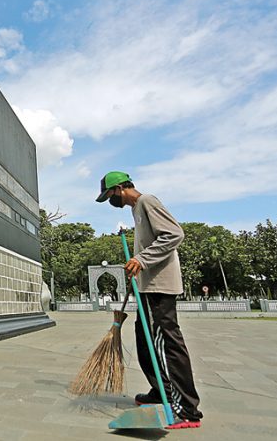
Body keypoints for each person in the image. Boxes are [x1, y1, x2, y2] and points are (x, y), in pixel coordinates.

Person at [96, 171, 203, 429]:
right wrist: (137, 269)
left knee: (166, 342)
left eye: (110, 195)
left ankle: (186, 409)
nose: (111, 200)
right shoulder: (136, 211)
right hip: (147, 286)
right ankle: (161, 391)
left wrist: (141, 260)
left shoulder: (147, 201)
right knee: (145, 338)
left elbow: (174, 234)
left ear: (121, 188)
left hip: (160, 287)